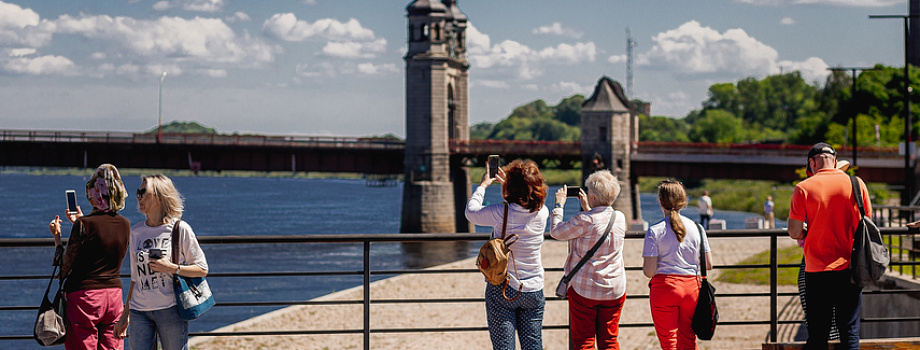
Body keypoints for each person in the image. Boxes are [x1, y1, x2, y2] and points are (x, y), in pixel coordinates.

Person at [787, 143, 869, 350]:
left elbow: (795, 232)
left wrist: (809, 229)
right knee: (849, 332)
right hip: (851, 267)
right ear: (834, 160)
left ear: (812, 163)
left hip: (817, 270)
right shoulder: (857, 184)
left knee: (818, 334)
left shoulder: (803, 188)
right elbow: (865, 222)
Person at [114, 174, 209, 350]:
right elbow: (135, 278)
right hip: (139, 312)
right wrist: (125, 314)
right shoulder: (135, 232)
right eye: (137, 192)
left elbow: (202, 269)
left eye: (143, 191)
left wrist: (172, 268)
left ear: (159, 195)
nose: (138, 196)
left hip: (170, 309)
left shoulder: (180, 229)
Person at [465, 159, 549, 350]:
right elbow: (526, 200)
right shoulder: (542, 212)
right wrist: (511, 185)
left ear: (511, 187)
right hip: (534, 289)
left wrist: (483, 185)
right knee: (533, 345)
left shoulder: (500, 212)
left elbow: (471, 212)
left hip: (503, 288)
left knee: (504, 347)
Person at [48, 164, 130, 350]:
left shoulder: (84, 224)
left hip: (85, 298)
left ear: (94, 194)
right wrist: (80, 222)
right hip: (114, 297)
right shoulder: (125, 224)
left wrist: (57, 237)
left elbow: (64, 266)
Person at [549, 170, 627, 350]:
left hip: (585, 290)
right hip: (614, 289)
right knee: (609, 340)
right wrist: (589, 208)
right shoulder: (620, 218)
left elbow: (556, 232)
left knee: (584, 341)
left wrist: (559, 206)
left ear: (591, 195)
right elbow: (599, 223)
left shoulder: (584, 219)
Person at [642, 180, 713, 350]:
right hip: (691, 289)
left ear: (660, 201)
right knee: (688, 339)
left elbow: (649, 271)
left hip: (664, 289)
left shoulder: (654, 231)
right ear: (683, 201)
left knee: (668, 342)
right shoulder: (697, 228)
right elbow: (708, 264)